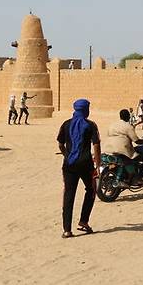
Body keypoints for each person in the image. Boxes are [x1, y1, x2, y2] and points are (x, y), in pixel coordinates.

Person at [56, 99, 101, 239]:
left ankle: (67, 230)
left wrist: (67, 155)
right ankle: (83, 221)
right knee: (91, 189)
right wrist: (98, 165)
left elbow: (60, 144)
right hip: (86, 164)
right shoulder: (90, 125)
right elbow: (96, 145)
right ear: (86, 110)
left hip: (69, 165)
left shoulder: (66, 124)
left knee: (69, 195)